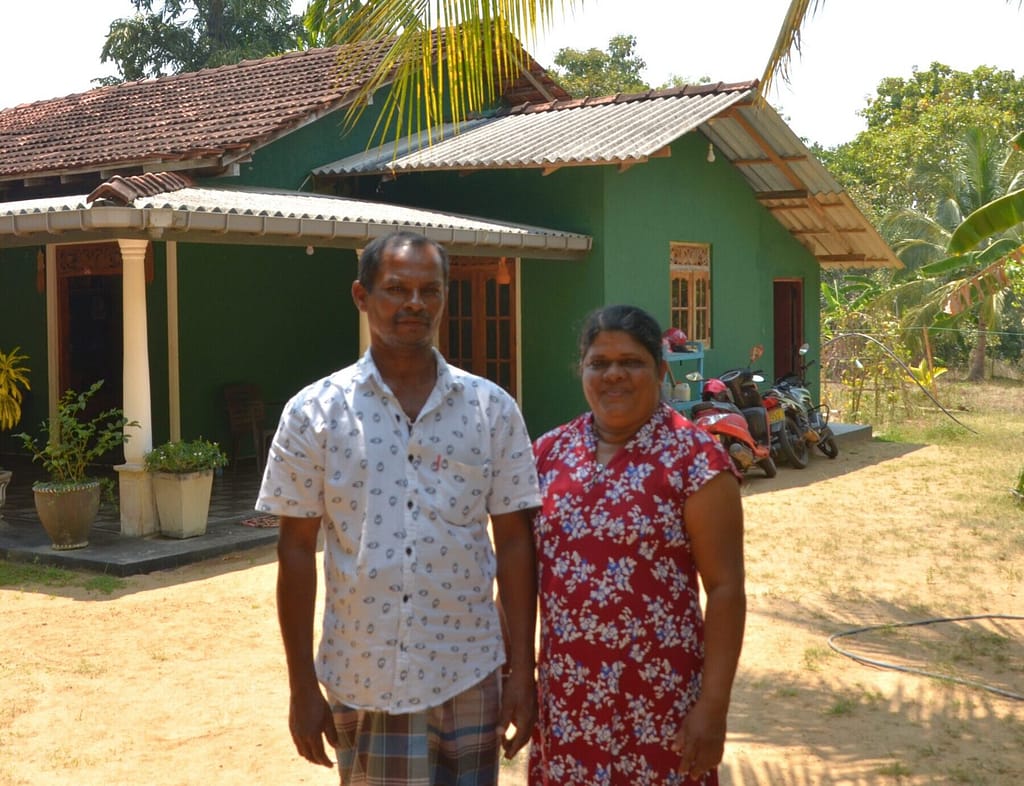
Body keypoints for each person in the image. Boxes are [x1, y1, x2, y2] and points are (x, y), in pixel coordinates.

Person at [256, 230, 540, 786]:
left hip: (469, 671)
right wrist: (300, 685)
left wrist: (522, 671)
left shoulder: (491, 410)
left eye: (429, 290)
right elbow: (295, 551)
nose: (414, 303)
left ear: (444, 297)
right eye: (396, 289)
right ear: (361, 296)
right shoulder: (315, 413)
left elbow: (513, 542)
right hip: (364, 675)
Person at [529, 304, 746, 786]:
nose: (614, 375)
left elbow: (726, 589)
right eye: (599, 363)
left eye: (631, 362)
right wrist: (517, 677)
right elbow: (523, 578)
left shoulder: (697, 461)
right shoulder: (547, 455)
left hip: (662, 705)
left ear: (661, 371)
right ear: (581, 370)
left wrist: (713, 707)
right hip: (568, 704)